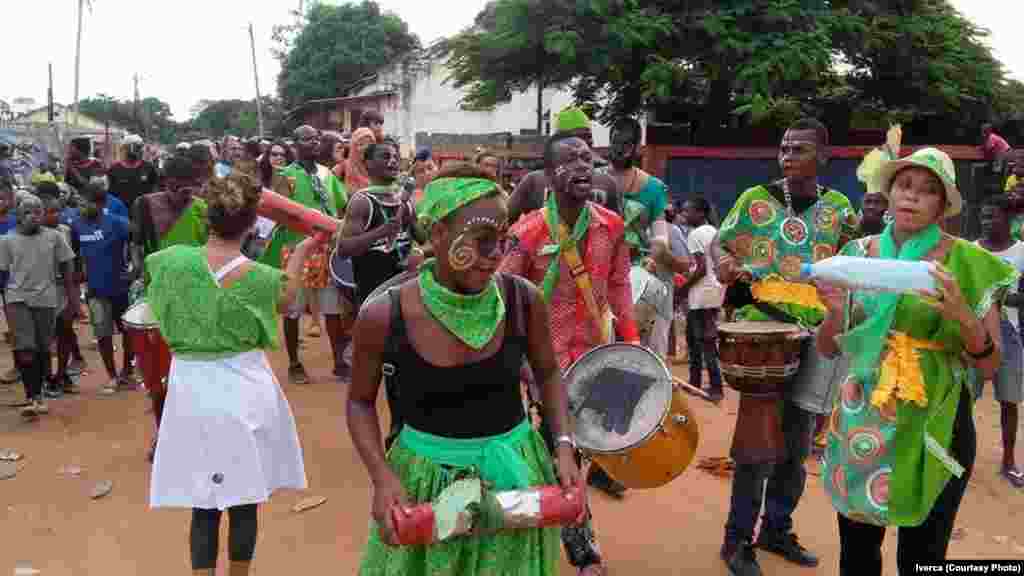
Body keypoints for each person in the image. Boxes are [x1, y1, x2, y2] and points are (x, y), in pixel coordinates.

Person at [347, 165, 582, 576]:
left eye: (502, 241)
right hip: (424, 484)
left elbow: (548, 374)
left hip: (514, 478)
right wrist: (382, 477)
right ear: (437, 235)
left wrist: (562, 444)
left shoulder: (523, 301)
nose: (495, 256)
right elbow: (360, 402)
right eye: (481, 241)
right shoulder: (384, 313)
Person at [814, 147, 1014, 574]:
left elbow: (990, 365)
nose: (912, 197)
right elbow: (829, 349)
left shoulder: (968, 262)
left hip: (936, 423)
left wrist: (961, 312)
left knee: (923, 559)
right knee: (857, 554)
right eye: (905, 185)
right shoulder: (857, 256)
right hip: (864, 417)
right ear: (889, 191)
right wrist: (834, 312)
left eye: (927, 191)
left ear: (943, 205)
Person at [715, 118, 858, 575]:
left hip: (817, 336)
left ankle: (776, 529)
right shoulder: (754, 200)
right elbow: (721, 248)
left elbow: (852, 266)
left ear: (824, 157)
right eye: (783, 148)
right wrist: (725, 266)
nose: (788, 155)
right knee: (757, 446)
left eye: (799, 148)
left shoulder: (839, 209)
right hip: (764, 334)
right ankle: (737, 541)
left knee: (796, 447)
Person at [147, 172, 309, 576]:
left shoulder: (170, 263)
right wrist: (303, 250)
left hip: (191, 390)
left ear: (206, 218)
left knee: (203, 502)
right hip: (245, 387)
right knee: (243, 497)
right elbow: (290, 298)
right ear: (253, 224)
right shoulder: (264, 279)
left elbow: (152, 280)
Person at [499, 133, 640, 574]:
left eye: (587, 158)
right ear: (547, 175)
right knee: (552, 452)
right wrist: (519, 364)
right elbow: (502, 301)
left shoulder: (611, 226)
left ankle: (574, 540)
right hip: (541, 367)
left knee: (576, 449)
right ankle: (572, 548)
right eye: (570, 160)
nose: (583, 165)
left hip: (594, 356)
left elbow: (618, 284)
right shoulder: (527, 233)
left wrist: (630, 341)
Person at [131, 154, 209, 461]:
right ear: (166, 182)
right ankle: (163, 433)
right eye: (179, 187)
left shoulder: (202, 210)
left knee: (194, 372)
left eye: (191, 188)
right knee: (158, 376)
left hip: (195, 301)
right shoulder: (145, 205)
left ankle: (197, 435)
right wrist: (142, 274)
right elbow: (136, 246)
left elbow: (210, 252)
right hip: (156, 299)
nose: (185, 194)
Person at [258, 125, 349, 384]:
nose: (315, 142)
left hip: (326, 249)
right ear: (295, 144)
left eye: (317, 137)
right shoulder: (285, 176)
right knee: (293, 310)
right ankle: (295, 363)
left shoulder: (327, 174)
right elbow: (278, 212)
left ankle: (339, 361)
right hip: (296, 249)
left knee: (332, 309)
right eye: (307, 139)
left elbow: (340, 206)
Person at [0, 193, 77, 418]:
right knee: (25, 348)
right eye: (27, 213)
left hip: (46, 299)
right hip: (16, 299)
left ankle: (39, 393)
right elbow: (2, 273)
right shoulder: (6, 240)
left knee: (43, 347)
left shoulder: (55, 237)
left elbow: (67, 266)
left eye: (37, 212)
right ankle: (32, 397)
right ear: (18, 216)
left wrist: (73, 300)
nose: (33, 217)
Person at [606, 117, 676, 358]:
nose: (618, 149)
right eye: (614, 142)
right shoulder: (594, 179)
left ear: (637, 148)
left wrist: (656, 255)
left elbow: (660, 237)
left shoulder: (654, 188)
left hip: (635, 271)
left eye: (626, 144)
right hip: (594, 271)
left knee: (638, 344)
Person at [975, 194, 1024, 488]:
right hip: (973, 330)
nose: (986, 221)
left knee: (1009, 401)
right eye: (983, 216)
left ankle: (1008, 460)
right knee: (964, 398)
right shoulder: (970, 250)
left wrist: (1005, 297)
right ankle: (955, 454)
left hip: (1009, 332)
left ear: (1009, 220)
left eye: (992, 216)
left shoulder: (1021, 252)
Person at [71, 178, 136, 395]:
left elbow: (137, 238)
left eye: (85, 203)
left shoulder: (117, 223)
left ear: (99, 204)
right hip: (95, 290)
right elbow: (75, 250)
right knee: (102, 332)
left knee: (128, 332)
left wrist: (136, 267)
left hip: (120, 287)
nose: (81, 207)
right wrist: (78, 270)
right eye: (79, 203)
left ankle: (128, 371)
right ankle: (112, 376)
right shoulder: (77, 224)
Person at [336, 138, 416, 308]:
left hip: (405, 288)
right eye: (385, 156)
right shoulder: (362, 201)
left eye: (395, 157)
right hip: (372, 292)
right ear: (368, 163)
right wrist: (381, 232)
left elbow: (424, 239)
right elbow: (343, 249)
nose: (393, 161)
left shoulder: (405, 202)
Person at [508, 107, 622, 221]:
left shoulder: (607, 183)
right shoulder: (534, 181)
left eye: (588, 137)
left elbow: (618, 230)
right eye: (577, 138)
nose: (585, 143)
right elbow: (505, 220)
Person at [679, 196, 725, 402]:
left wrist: (682, 288)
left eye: (688, 211)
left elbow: (700, 268)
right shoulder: (715, 232)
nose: (684, 215)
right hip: (714, 291)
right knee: (693, 337)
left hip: (702, 294)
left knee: (705, 342)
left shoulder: (696, 234)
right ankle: (694, 382)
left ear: (701, 213)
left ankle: (716, 388)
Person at [41, 194, 80, 396]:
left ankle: (62, 373)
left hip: (63, 288)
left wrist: (74, 296)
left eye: (58, 211)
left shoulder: (65, 231)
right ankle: (47, 377)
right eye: (51, 211)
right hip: (42, 290)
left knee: (64, 332)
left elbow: (73, 260)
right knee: (46, 338)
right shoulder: (34, 235)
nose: (56, 215)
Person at [107, 134, 159, 210]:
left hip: (143, 212)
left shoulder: (149, 168)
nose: (140, 150)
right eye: (137, 147)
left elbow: (155, 190)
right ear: (126, 148)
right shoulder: (114, 169)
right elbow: (109, 194)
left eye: (140, 147)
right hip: (120, 212)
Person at [343, 127, 376, 193]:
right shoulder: (343, 167)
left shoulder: (378, 167)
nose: (365, 147)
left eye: (369, 144)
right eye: (361, 144)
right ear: (353, 147)